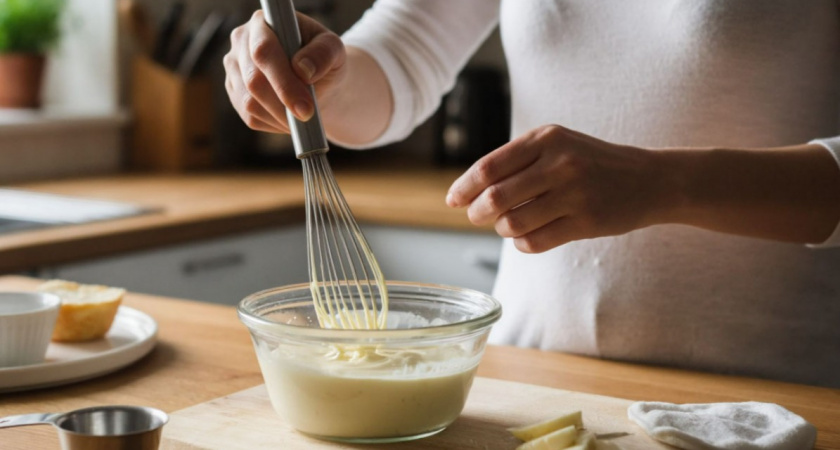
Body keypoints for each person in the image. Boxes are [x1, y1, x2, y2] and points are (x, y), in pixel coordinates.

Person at [223, 0, 840, 388]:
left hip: (771, 399)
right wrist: (322, 81)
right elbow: (399, 60)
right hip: (530, 381)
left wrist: (663, 183)